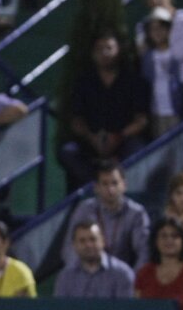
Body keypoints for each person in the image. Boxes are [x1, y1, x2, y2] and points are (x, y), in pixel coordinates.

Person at [57, 32, 150, 193]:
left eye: (109, 48)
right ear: (93, 54)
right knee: (68, 152)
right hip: (90, 142)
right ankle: (97, 187)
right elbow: (76, 120)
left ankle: (119, 190)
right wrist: (91, 137)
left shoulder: (134, 81)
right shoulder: (83, 81)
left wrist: (119, 136)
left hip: (123, 141)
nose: (105, 53)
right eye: (100, 49)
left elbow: (141, 120)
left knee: (138, 150)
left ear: (119, 50)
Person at [64, 162, 151, 271]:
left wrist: (133, 280)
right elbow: (70, 248)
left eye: (114, 183)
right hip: (88, 273)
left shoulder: (136, 213)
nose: (110, 189)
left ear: (124, 185)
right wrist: (80, 274)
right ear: (96, 187)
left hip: (123, 278)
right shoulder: (85, 209)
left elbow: (144, 251)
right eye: (105, 184)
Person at [53, 221, 135, 299]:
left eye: (93, 239)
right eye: (82, 241)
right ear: (74, 245)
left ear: (103, 241)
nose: (88, 245)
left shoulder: (122, 273)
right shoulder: (65, 277)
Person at [141, 7, 180, 138]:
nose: (157, 32)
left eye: (160, 28)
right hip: (157, 113)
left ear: (168, 29)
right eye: (153, 29)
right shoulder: (147, 57)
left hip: (177, 111)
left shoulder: (178, 53)